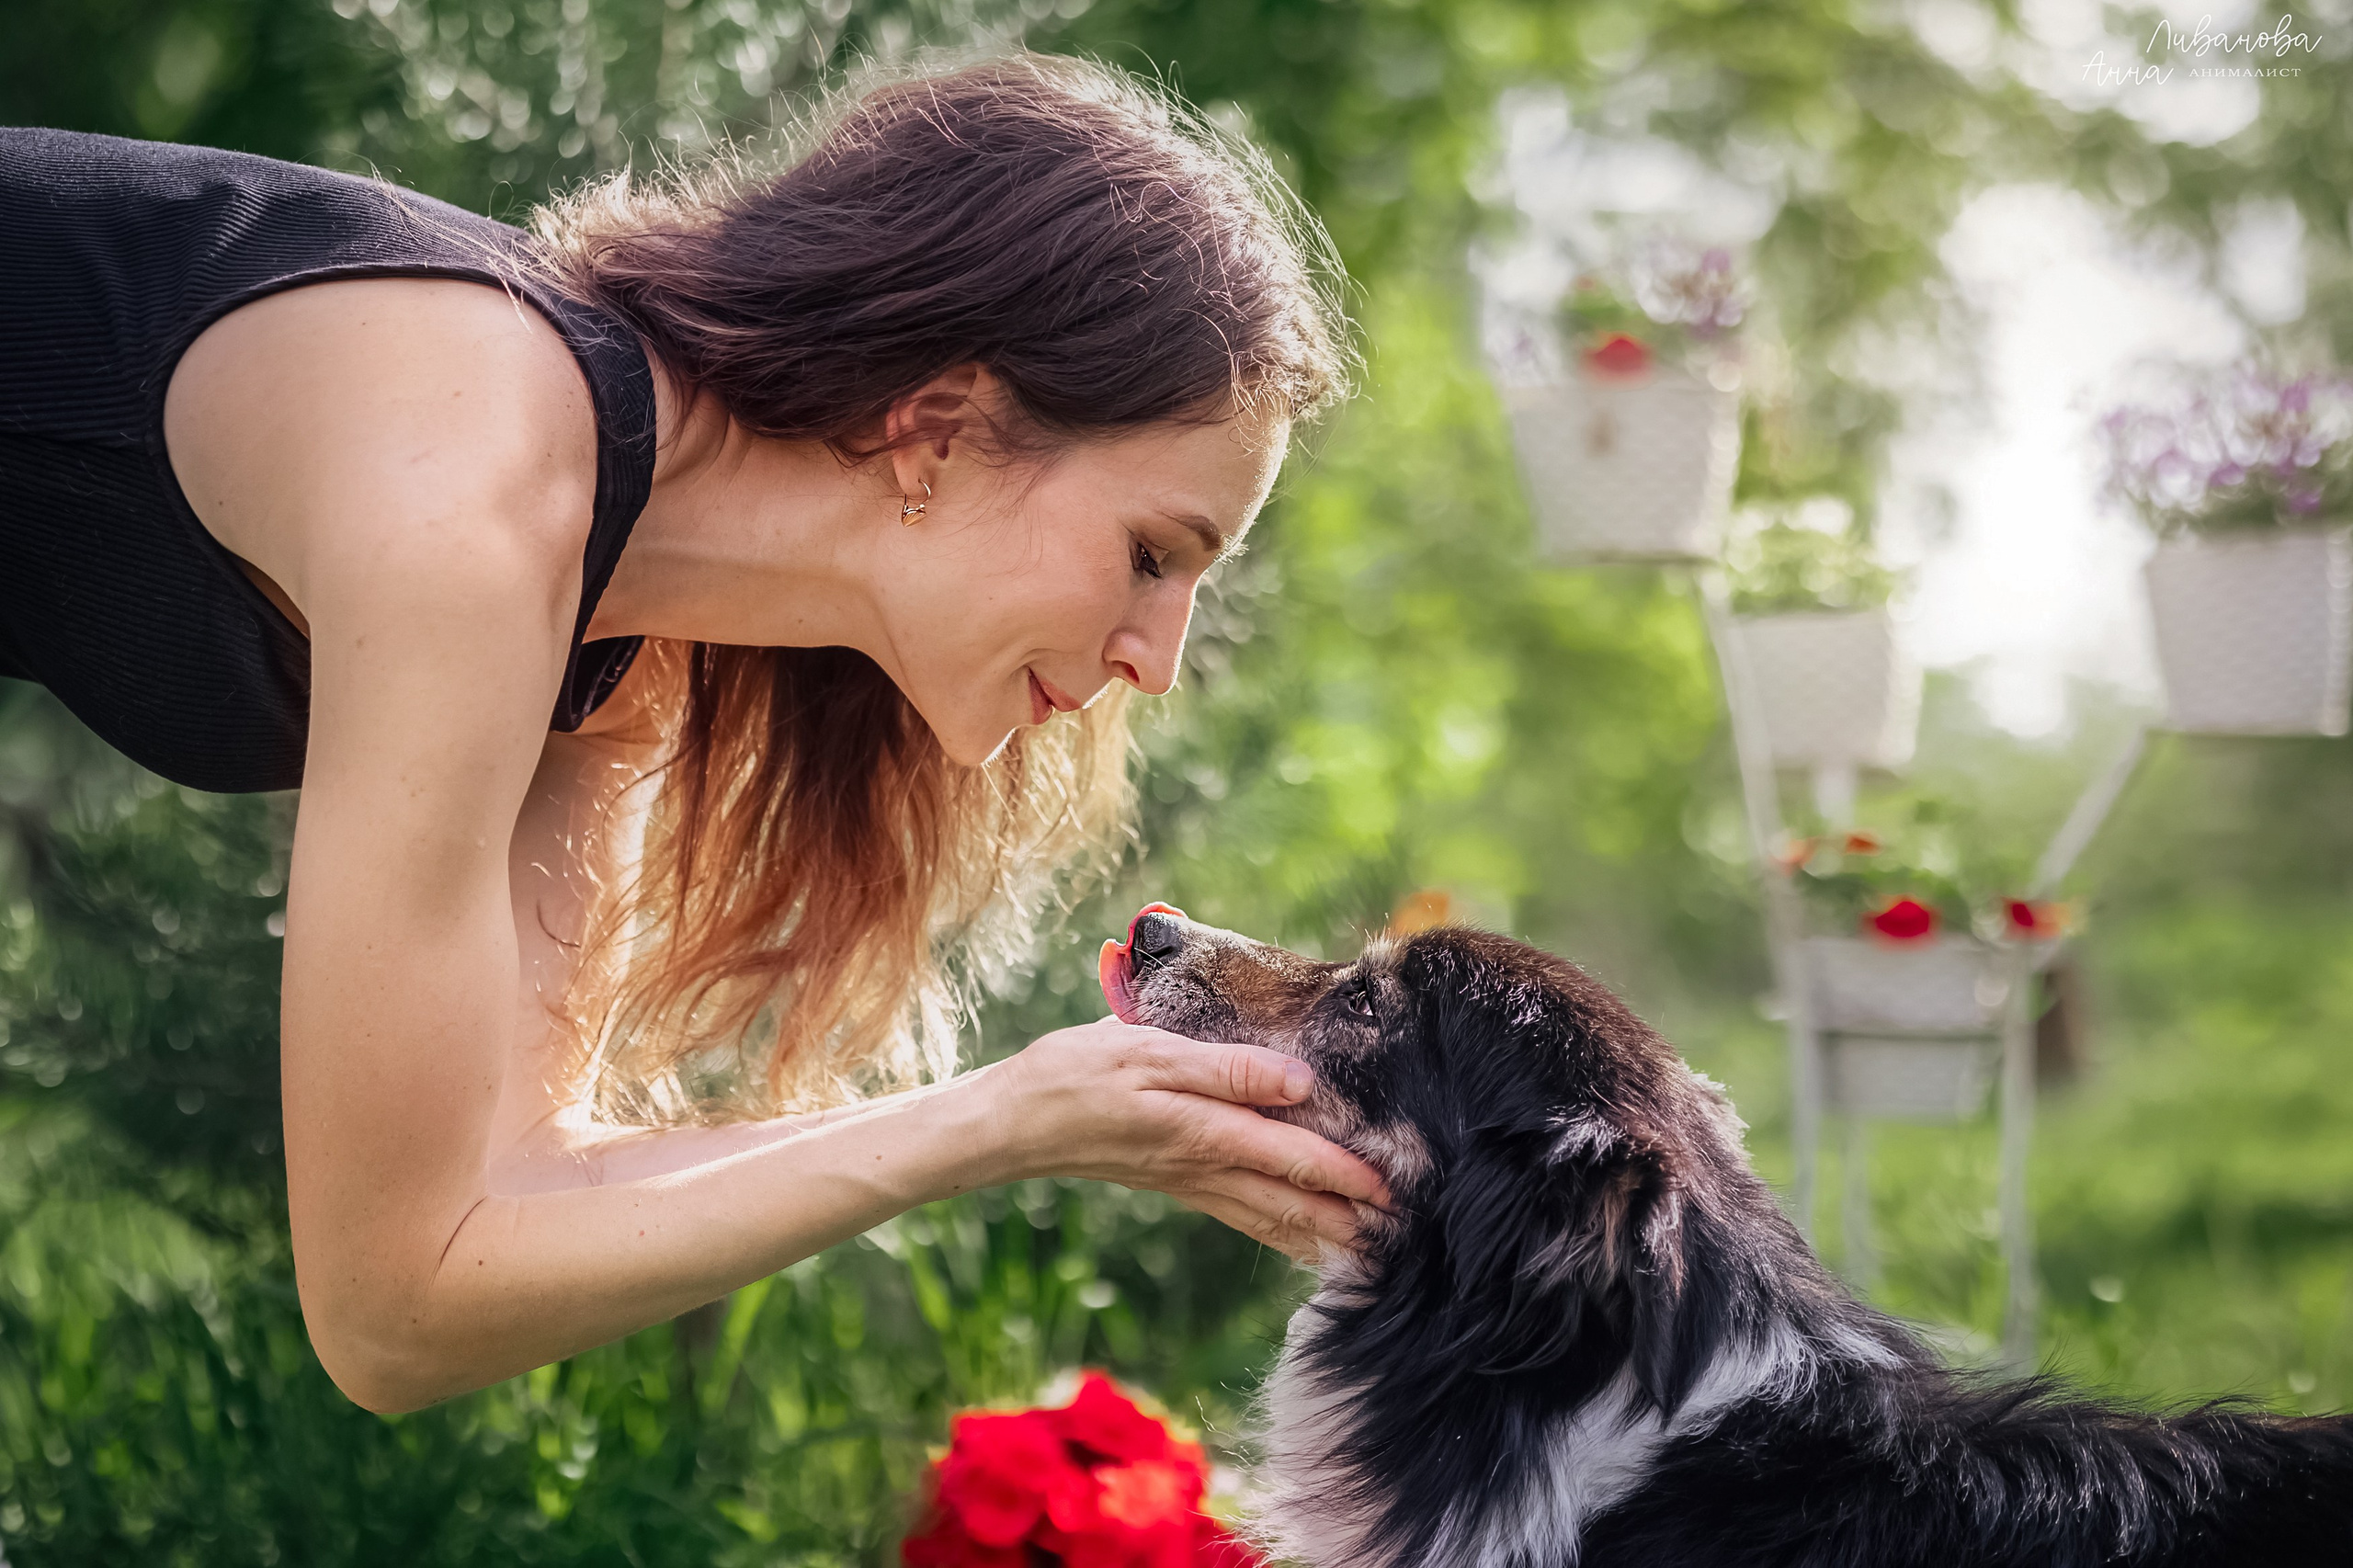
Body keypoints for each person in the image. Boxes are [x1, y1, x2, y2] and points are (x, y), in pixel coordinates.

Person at [0, 49, 1387, 1415]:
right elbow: (388, 1307)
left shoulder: (617, 632)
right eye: (1152, 552)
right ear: (936, 430)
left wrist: (1033, 1116)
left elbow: (511, 1197)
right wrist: (995, 1122)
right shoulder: (478, 506)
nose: (1161, 661)